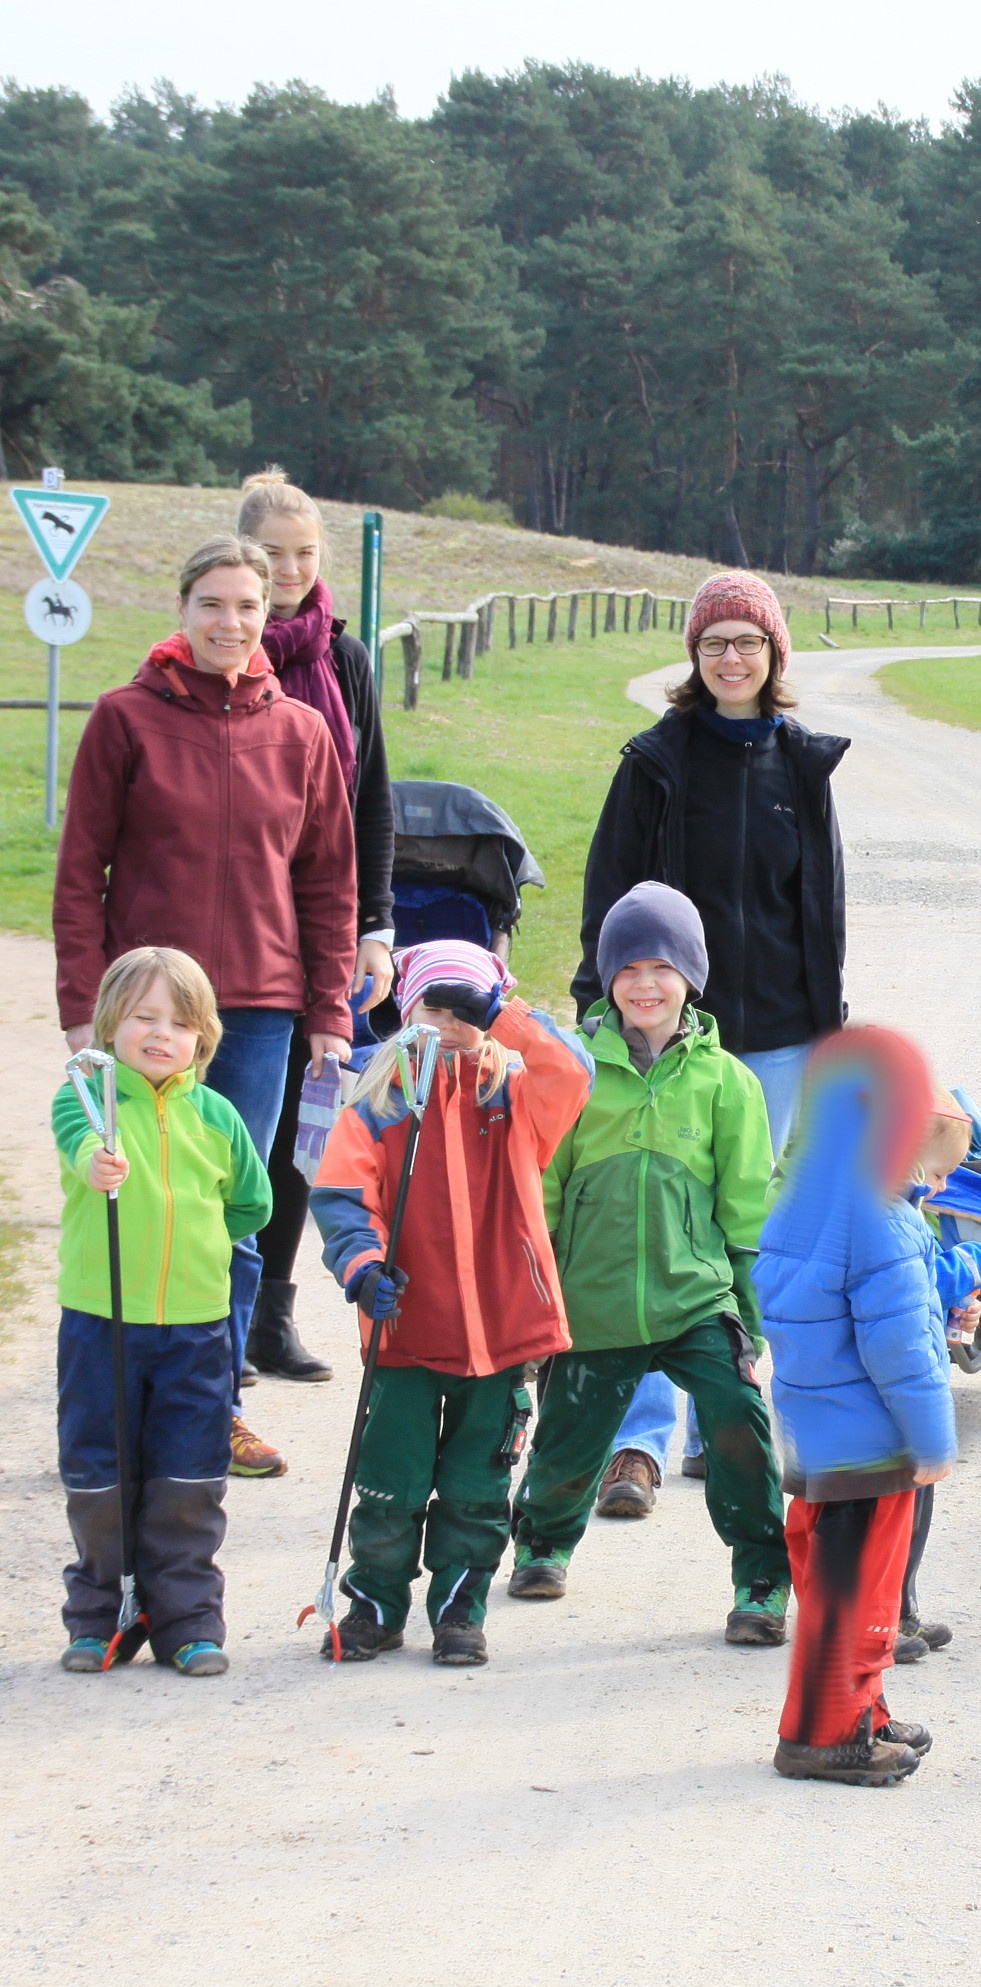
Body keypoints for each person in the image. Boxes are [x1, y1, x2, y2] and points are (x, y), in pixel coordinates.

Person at [54, 535, 357, 1482]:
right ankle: (113, 1406)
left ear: (270, 616)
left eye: (248, 607)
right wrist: (80, 1008)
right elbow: (77, 877)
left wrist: (330, 1009)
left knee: (228, 1212)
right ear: (181, 610)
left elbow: (329, 883)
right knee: (130, 1204)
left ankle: (213, 1405)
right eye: (212, 604)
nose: (231, 623)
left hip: (262, 1011)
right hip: (146, 1009)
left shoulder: (302, 733)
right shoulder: (124, 719)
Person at [573, 568, 848, 1515]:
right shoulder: (655, 760)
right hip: (664, 1027)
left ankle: (720, 1423)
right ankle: (639, 1443)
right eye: (714, 642)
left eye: (749, 642)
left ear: (775, 655)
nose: (732, 658)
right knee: (656, 1224)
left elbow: (822, 904)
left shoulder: (803, 764)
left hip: (775, 1031)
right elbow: (609, 887)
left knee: (743, 1228)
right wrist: (594, 1000)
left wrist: (829, 1023)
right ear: (693, 658)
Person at [507, 882, 793, 1644]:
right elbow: (545, 1193)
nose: (644, 982)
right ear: (607, 979)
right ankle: (541, 1540)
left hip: (697, 1296)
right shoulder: (572, 1072)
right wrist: (540, 1299)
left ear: (691, 976)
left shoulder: (725, 1081)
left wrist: (753, 1317)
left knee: (739, 1420)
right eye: (628, 966)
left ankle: (761, 1578)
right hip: (593, 1300)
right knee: (569, 1436)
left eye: (662, 966)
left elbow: (745, 1207)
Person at [309, 942, 591, 1666]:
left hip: (500, 1332)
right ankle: (373, 1603)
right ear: (405, 1017)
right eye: (434, 1007)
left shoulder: (518, 1096)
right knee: (389, 1478)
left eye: (465, 1010)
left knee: (478, 1483)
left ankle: (460, 1606)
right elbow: (343, 1197)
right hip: (405, 1330)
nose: (449, 1025)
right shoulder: (377, 1104)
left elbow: (574, 1069)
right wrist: (363, 1266)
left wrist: (502, 1018)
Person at [53, 948, 272, 1677]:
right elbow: (78, 1143)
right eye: (144, 1017)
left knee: (188, 1473)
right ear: (111, 1021)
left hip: (196, 1323)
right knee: (100, 1468)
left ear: (202, 1036)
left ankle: (186, 1619)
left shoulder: (216, 1114)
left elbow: (253, 1201)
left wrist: (202, 1239)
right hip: (101, 1318)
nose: (160, 1033)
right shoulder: (86, 1093)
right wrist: (96, 1164)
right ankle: (102, 1615)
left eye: (179, 1022)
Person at [755, 1028, 955, 1787]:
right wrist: (932, 1437)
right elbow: (902, 1350)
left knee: (827, 1580)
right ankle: (824, 1734)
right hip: (871, 1446)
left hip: (813, 1433)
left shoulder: (802, 1204)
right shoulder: (882, 1219)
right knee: (863, 1590)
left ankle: (859, 1706)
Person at [237, 470, 397, 1389]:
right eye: (275, 553)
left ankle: (271, 1314)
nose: (292, 570)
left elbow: (371, 800)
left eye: (306, 554)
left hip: (327, 917)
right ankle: (215, 1308)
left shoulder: (345, 661)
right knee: (241, 1120)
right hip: (247, 917)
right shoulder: (225, 651)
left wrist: (377, 924)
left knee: (307, 1112)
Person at [895, 1093, 981, 1666]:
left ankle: (901, 1606)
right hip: (885, 1392)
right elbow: (906, 1285)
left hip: (911, 1384)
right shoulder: (882, 1214)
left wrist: (949, 1309)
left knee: (916, 1499)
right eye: (939, 1172)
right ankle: (876, 1617)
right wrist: (975, 1264)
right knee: (885, 1509)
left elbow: (919, 1295)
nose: (941, 1187)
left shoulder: (909, 1209)